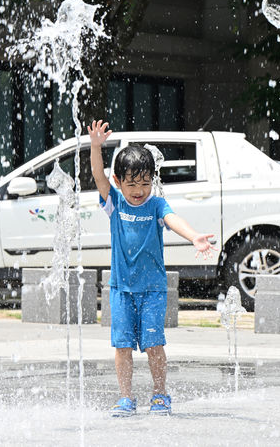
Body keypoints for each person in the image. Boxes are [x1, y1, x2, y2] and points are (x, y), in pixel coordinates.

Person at [87, 120, 216, 417]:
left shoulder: (156, 204)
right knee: (122, 347)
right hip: (121, 289)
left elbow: (173, 219)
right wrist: (96, 147)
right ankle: (126, 398)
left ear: (152, 180)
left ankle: (160, 394)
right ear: (119, 181)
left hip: (153, 289)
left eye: (145, 183)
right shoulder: (115, 203)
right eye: (132, 184)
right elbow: (97, 176)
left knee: (154, 344)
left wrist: (193, 235)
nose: (139, 191)